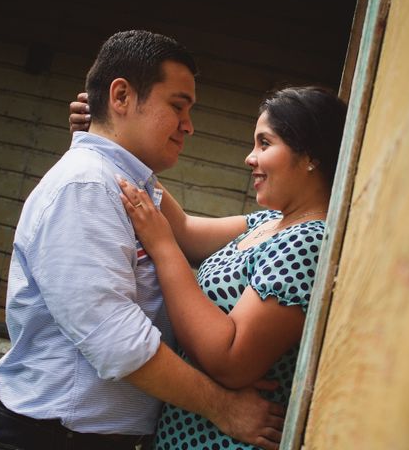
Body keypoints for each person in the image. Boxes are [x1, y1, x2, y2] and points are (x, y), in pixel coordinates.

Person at [0, 30, 284, 450]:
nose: (189, 126)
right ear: (120, 96)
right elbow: (116, 342)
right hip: (52, 439)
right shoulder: (86, 187)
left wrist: (299, 214)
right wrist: (224, 407)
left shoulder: (127, 183)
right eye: (177, 106)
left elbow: (192, 236)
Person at [71, 85, 347, 449]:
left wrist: (163, 247)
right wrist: (112, 141)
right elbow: (185, 229)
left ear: (309, 154)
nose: (250, 158)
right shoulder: (268, 224)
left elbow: (231, 359)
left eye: (265, 144)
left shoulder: (309, 241)